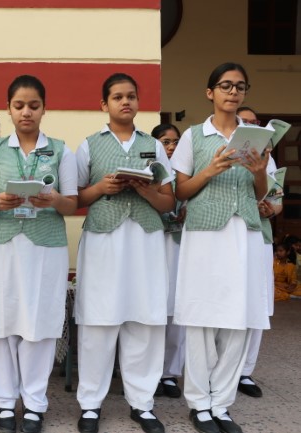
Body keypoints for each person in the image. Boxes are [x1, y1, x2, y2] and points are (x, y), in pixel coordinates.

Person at [170, 62, 270, 433]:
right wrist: (210, 170)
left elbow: (261, 193)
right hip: (204, 235)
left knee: (239, 320)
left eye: (240, 86)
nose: (233, 92)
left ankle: (222, 404)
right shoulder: (193, 137)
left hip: (243, 233)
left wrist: (258, 172)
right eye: (226, 85)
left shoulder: (257, 136)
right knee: (201, 319)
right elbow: (180, 191)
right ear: (210, 92)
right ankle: (199, 404)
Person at [0, 76, 77, 433]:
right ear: (8, 109)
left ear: (44, 108)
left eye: (33, 105)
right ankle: (5, 401)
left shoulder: (61, 150)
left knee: (40, 322)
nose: (26, 112)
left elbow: (72, 204)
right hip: (0, 244)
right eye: (19, 106)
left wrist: (54, 200)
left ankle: (34, 403)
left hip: (45, 245)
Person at [75, 73, 174, 433]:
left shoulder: (154, 145)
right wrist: (102, 187)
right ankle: (90, 404)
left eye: (131, 96)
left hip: (145, 239)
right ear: (105, 104)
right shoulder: (89, 145)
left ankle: (142, 403)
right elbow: (76, 198)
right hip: (104, 239)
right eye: (117, 97)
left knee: (145, 319)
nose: (125, 102)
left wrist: (146, 191)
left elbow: (168, 201)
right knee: (98, 321)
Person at [235, 105, 282, 398]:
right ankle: (219, 370)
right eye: (245, 121)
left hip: (259, 235)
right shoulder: (221, 151)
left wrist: (271, 209)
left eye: (255, 122)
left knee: (258, 303)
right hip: (227, 233)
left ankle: (245, 372)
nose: (250, 125)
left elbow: (277, 201)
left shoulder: (269, 157)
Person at [151, 123, 185, 399]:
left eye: (175, 141)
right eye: (165, 141)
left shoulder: (187, 171)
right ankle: (149, 372)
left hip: (180, 247)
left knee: (176, 311)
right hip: (153, 244)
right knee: (153, 310)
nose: (171, 147)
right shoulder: (150, 171)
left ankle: (170, 373)